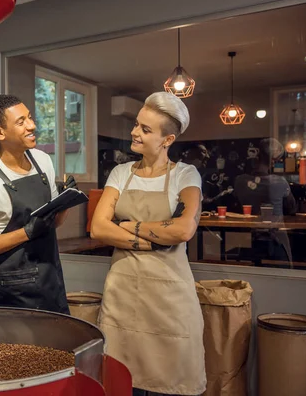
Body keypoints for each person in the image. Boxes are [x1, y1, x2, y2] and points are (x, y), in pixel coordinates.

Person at [91, 92, 205, 395]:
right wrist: (151, 242)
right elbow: (98, 228)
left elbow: (182, 230)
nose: (134, 132)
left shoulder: (185, 174)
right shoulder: (120, 173)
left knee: (173, 382)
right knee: (121, 381)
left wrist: (129, 226)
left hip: (171, 299)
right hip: (123, 296)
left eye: (145, 129)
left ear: (167, 140)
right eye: (137, 125)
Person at [0, 94, 75, 314]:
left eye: (30, 117)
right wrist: (26, 233)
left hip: (51, 284)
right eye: (21, 122)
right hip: (11, 295)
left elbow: (54, 223)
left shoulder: (42, 161)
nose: (32, 126)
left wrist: (67, 200)